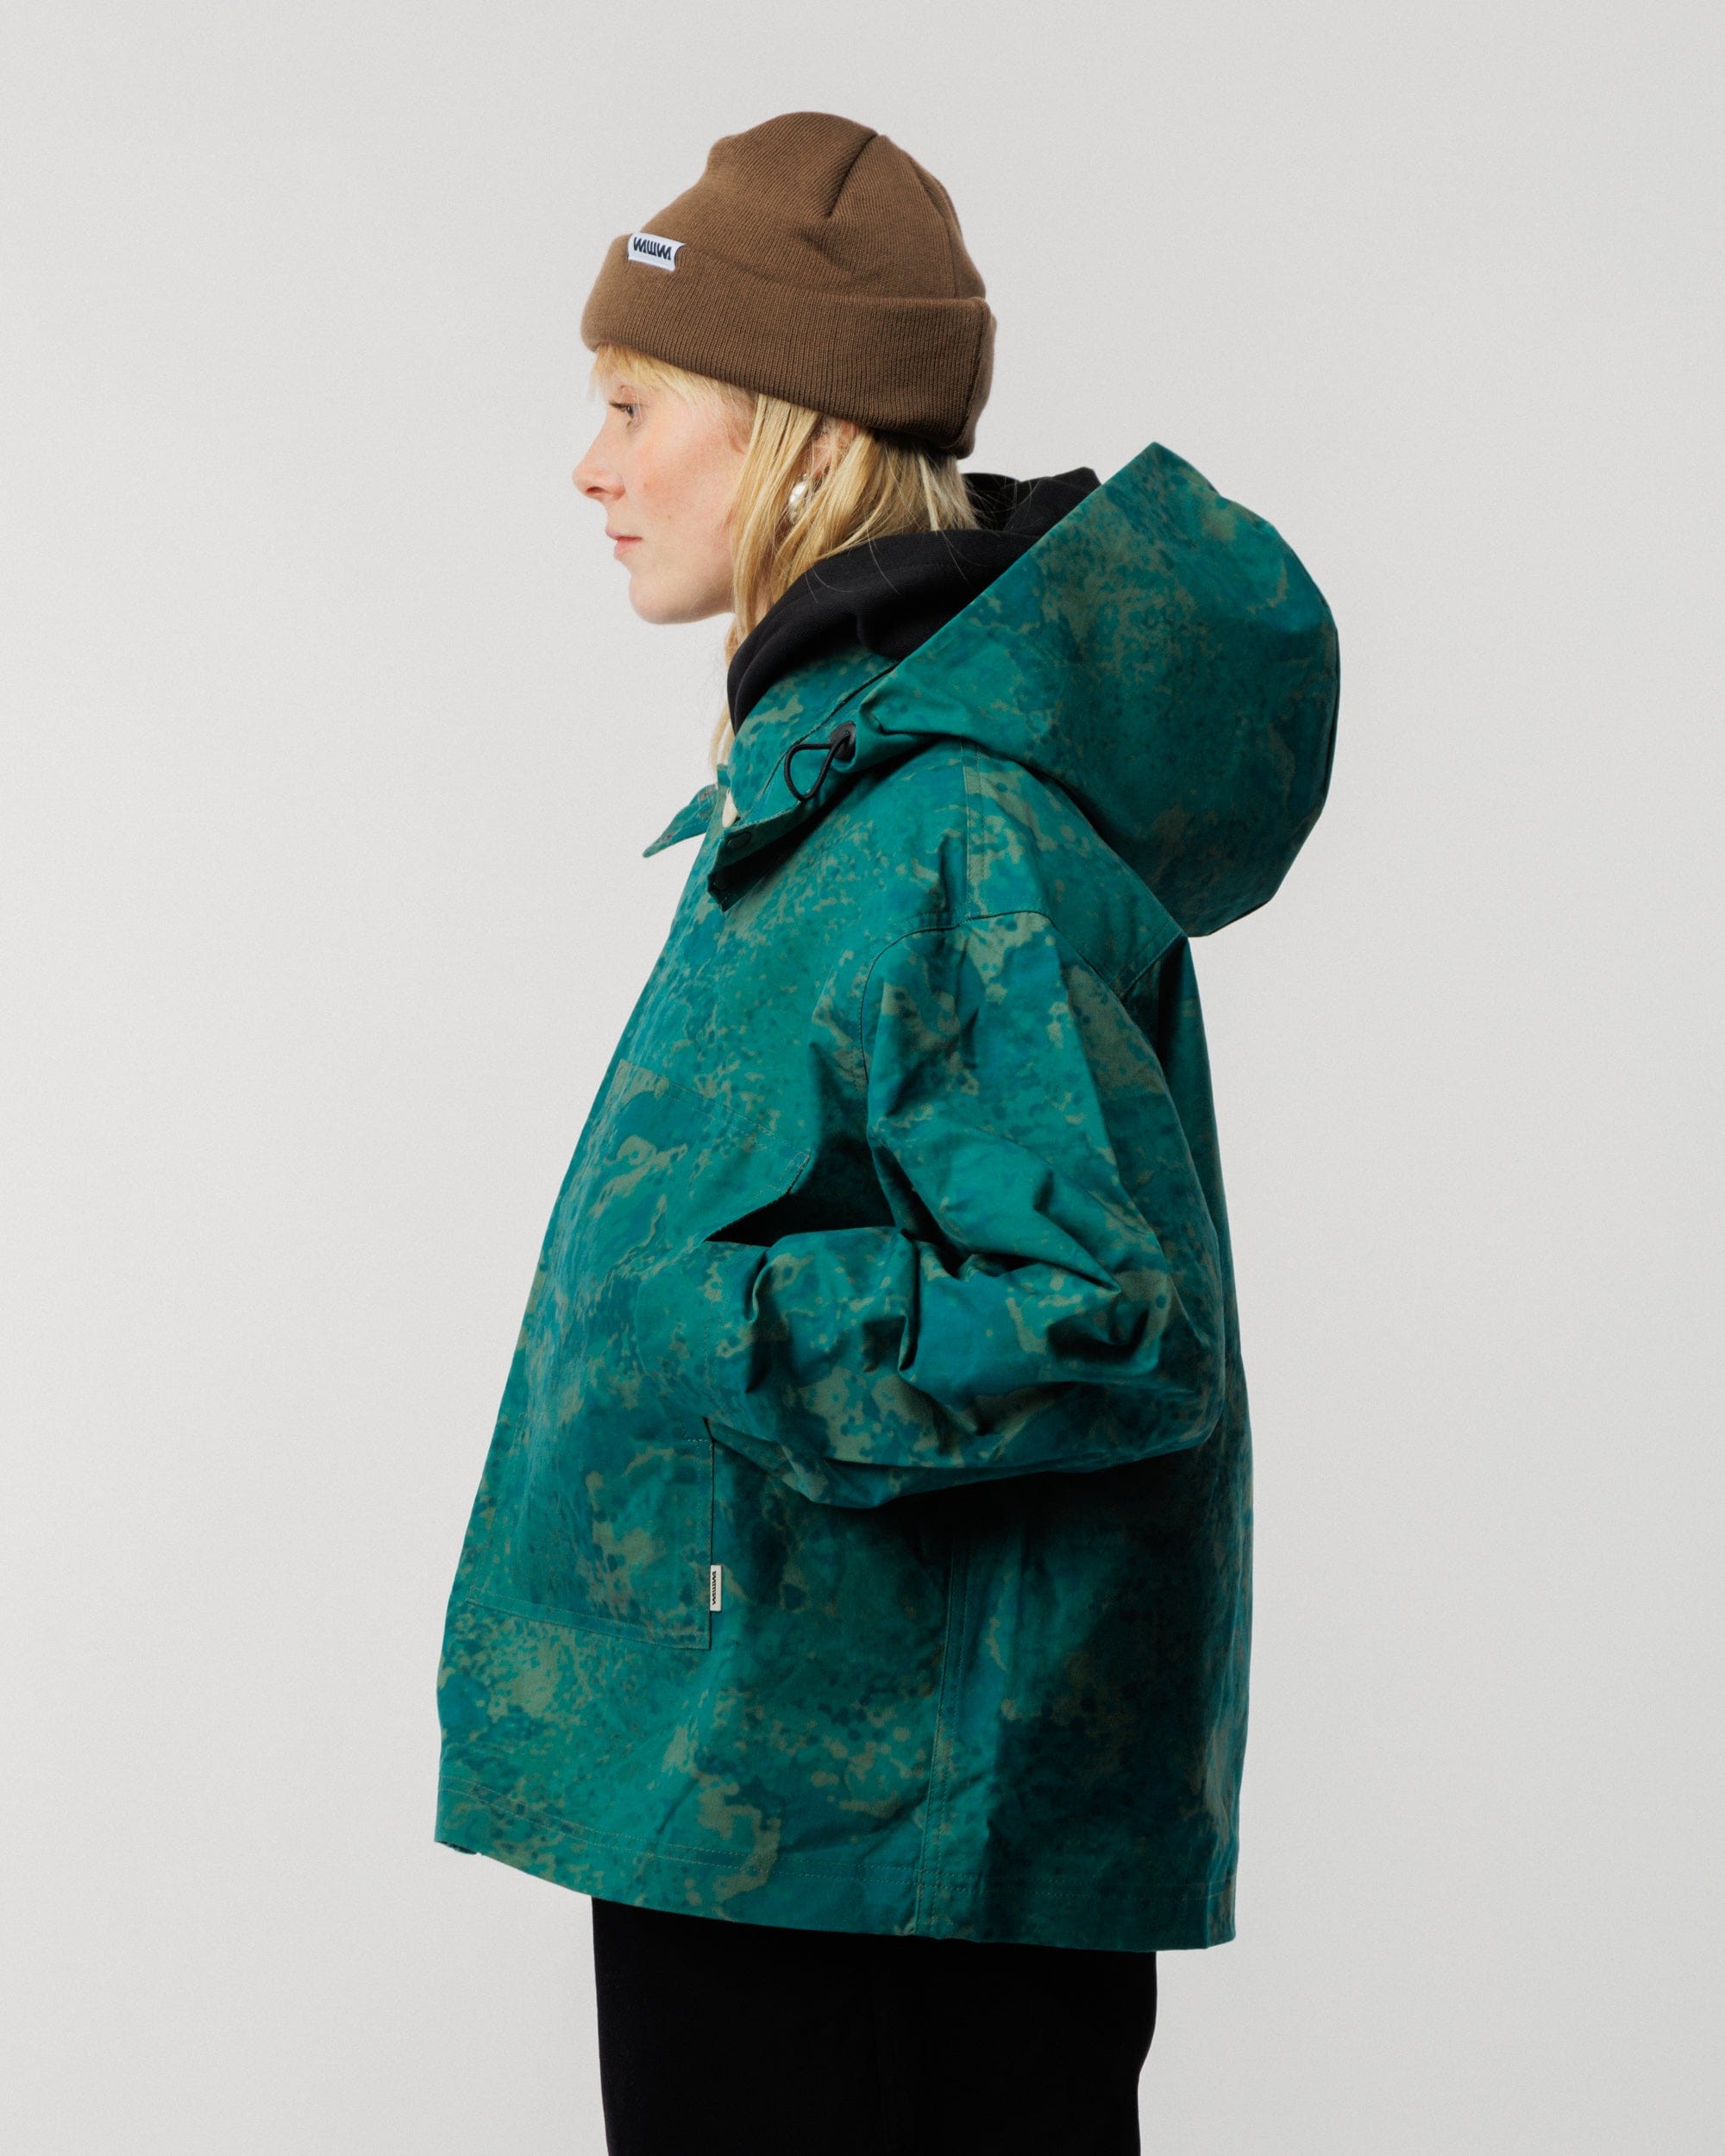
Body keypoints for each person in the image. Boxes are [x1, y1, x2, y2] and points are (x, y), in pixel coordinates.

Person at [435, 111, 1339, 2156]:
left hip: (870, 1862)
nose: (588, 466)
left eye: (632, 405)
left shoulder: (945, 825)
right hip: (780, 1815)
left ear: (794, 433)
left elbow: (1114, 1315)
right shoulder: (835, 794)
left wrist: (720, 1320)